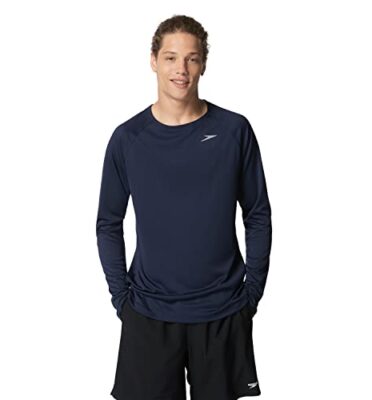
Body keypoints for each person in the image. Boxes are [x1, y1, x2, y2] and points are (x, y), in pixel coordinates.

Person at [96, 14, 272, 400]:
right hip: (148, 314)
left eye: (192, 58)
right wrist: (122, 299)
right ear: (153, 61)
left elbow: (257, 214)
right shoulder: (128, 139)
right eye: (171, 58)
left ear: (203, 64)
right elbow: (108, 223)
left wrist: (252, 294)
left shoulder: (234, 131)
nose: (182, 69)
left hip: (223, 312)